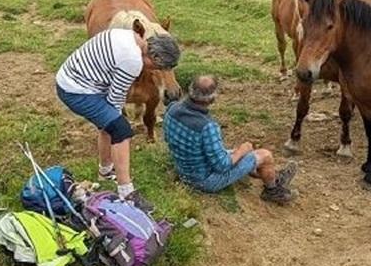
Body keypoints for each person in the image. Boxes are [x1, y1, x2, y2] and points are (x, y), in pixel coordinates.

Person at [56, 24, 180, 210]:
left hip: (74, 78)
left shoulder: (129, 36)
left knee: (109, 123)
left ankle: (105, 171)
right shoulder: (132, 61)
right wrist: (116, 124)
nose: (154, 70)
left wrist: (107, 120)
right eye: (156, 67)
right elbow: (115, 99)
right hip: (76, 90)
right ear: (153, 57)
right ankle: (127, 192)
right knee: (121, 130)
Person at [163, 75, 297, 204]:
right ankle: (272, 190)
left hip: (183, 170)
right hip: (205, 181)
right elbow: (222, 165)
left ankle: (273, 176)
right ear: (212, 99)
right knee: (264, 155)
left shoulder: (172, 109)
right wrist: (242, 150)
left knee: (244, 155)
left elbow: (167, 138)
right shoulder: (207, 126)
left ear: (190, 90)